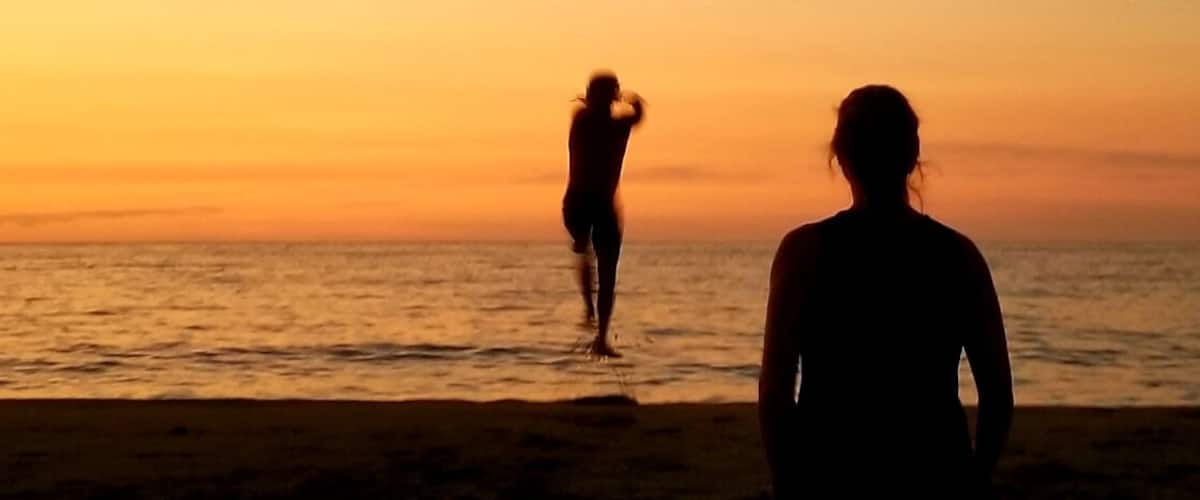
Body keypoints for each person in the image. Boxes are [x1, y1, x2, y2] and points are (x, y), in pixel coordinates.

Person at [758, 85, 1013, 497]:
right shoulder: (956, 256)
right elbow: (997, 394)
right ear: (913, 154)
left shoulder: (803, 252)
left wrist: (787, 482)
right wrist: (976, 478)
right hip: (932, 467)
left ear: (840, 158)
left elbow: (774, 393)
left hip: (830, 468)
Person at [563, 71, 645, 358]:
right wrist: (636, 106)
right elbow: (633, 119)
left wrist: (635, 108)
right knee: (586, 253)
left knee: (607, 272)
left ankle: (600, 335)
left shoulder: (612, 125)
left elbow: (634, 119)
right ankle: (588, 307)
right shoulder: (584, 121)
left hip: (600, 206)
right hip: (580, 203)